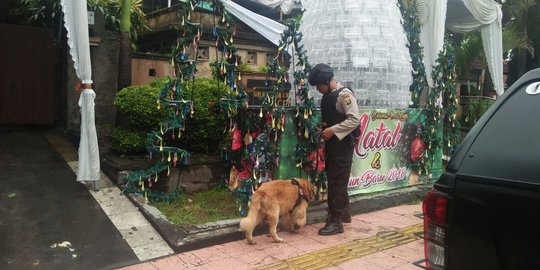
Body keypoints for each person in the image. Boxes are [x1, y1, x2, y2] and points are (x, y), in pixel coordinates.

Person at [308, 63, 360, 235]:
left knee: (336, 182)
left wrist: (332, 130)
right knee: (336, 179)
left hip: (343, 146)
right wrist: (323, 131)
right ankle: (344, 213)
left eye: (318, 85)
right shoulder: (329, 96)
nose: (318, 89)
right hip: (333, 145)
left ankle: (335, 221)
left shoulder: (344, 95)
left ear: (326, 81)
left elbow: (354, 120)